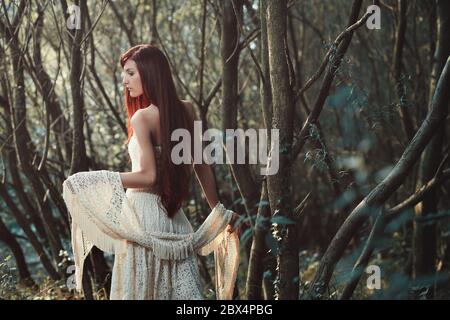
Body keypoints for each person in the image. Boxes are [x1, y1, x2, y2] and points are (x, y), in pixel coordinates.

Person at [62, 44, 240, 300]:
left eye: (131, 73)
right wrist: (218, 211)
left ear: (150, 72)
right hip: (175, 221)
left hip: (142, 221)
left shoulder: (142, 118)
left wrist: (96, 179)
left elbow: (148, 176)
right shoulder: (187, 110)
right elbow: (201, 165)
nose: (125, 81)